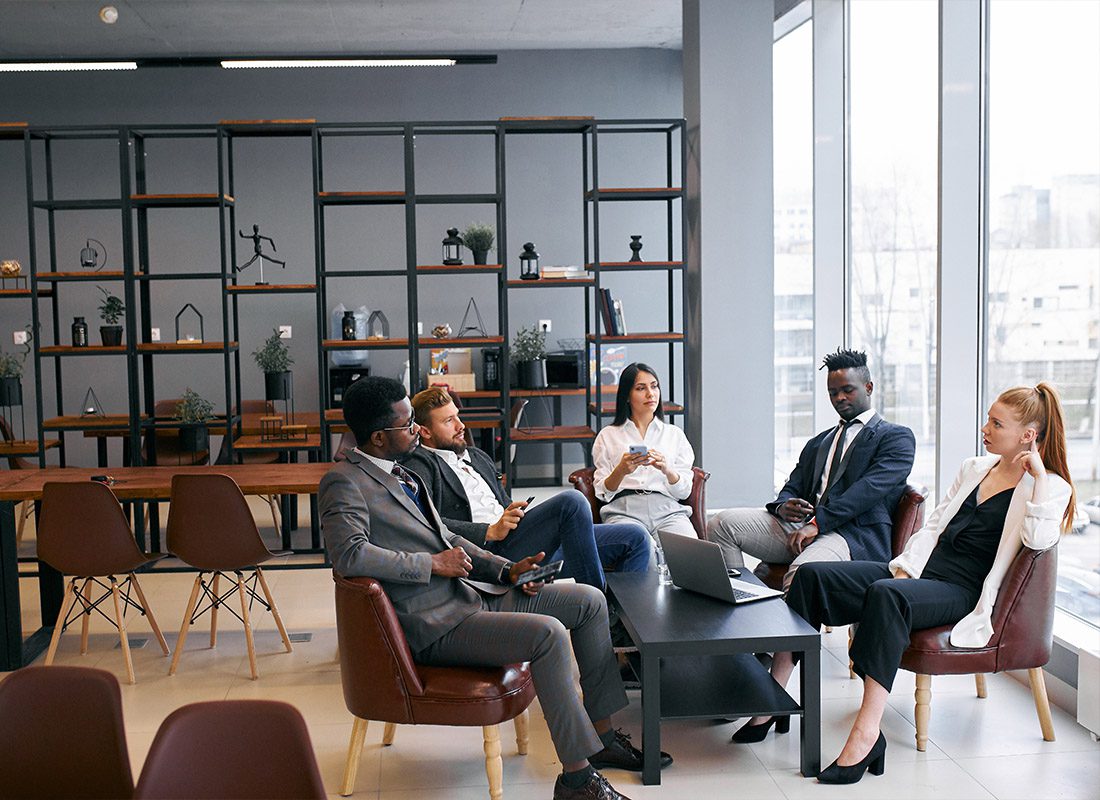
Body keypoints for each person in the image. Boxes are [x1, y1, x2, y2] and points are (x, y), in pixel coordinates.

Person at [320, 376, 671, 800]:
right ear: (378, 437)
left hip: (470, 595)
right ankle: (577, 781)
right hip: (434, 622)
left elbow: (448, 538)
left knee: (590, 602)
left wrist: (506, 570)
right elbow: (349, 555)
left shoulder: (401, 473)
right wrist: (430, 564)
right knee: (549, 633)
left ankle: (603, 735)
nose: (416, 428)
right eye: (407, 422)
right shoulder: (344, 482)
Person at [735, 383, 1076, 785]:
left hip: (963, 590)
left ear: (1027, 436)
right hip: (921, 573)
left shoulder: (1050, 486)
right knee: (813, 576)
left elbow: (1038, 543)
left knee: (886, 596)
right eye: (988, 417)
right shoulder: (975, 468)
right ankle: (776, 693)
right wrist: (905, 567)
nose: (985, 427)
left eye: (996, 423)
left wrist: (1036, 479)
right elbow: (933, 527)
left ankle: (867, 732)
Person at [707, 348, 916, 590]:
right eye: (833, 393)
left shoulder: (895, 437)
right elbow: (792, 485)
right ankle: (740, 610)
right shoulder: (820, 442)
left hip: (851, 534)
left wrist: (817, 523)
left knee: (802, 573)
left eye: (847, 390)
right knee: (722, 524)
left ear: (868, 387)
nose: (839, 398)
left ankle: (787, 628)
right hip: (803, 526)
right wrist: (784, 506)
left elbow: (866, 491)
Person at [401, 387, 651, 590]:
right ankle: (602, 612)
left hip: (521, 539)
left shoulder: (476, 457)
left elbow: (503, 503)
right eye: (448, 421)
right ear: (425, 432)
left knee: (635, 537)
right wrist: (488, 531)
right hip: (492, 553)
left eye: (458, 416)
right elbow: (425, 522)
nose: (461, 425)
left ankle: (624, 626)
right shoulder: (421, 464)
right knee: (571, 502)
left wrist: (511, 512)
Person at [590, 363, 698, 546]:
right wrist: (621, 470)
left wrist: (667, 469)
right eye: (641, 388)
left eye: (654, 386)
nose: (651, 393)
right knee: (644, 554)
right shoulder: (608, 435)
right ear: (626, 396)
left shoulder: (674, 434)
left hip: (668, 510)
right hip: (623, 511)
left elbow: (684, 491)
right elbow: (602, 493)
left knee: (690, 551)